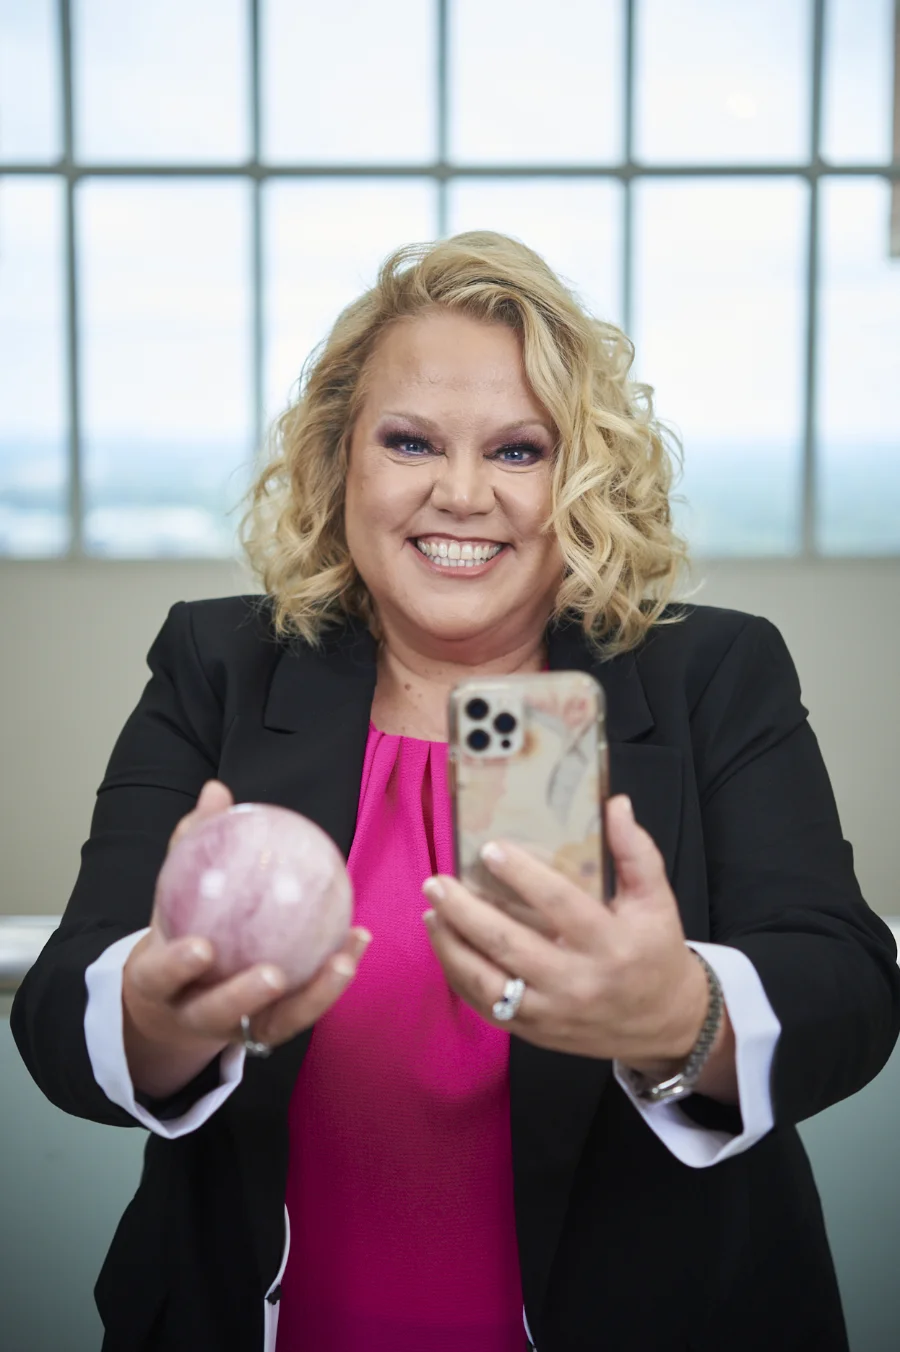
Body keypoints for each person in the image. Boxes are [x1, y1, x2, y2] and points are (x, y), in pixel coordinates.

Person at [12, 231, 899, 1352]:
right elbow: (58, 1008)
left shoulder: (706, 674)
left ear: (582, 474)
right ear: (343, 460)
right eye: (411, 441)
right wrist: (145, 1013)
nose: (463, 492)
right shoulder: (220, 664)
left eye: (520, 450)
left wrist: (681, 1014)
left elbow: (849, 982)